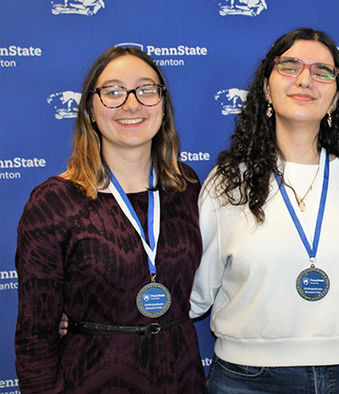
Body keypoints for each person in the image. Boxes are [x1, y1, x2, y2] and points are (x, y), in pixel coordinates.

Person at [189, 28, 339, 393]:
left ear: (336, 98)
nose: (304, 79)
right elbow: (194, 291)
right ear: (266, 89)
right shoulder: (228, 184)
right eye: (290, 66)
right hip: (248, 379)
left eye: (322, 71)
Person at [14, 46, 206, 392]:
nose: (131, 104)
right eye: (113, 92)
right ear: (90, 108)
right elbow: (35, 335)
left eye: (146, 90)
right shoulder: (54, 202)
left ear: (163, 104)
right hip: (93, 381)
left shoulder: (187, 187)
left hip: (182, 379)